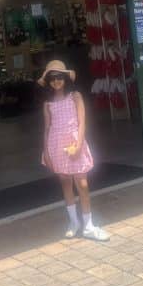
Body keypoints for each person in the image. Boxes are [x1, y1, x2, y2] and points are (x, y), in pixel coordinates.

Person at [39, 60, 110, 241]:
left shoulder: (75, 96)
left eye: (59, 77)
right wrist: (46, 151)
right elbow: (47, 128)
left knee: (83, 185)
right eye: (52, 78)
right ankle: (74, 222)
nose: (56, 81)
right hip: (56, 145)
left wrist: (78, 145)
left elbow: (82, 122)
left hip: (74, 143)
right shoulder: (47, 103)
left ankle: (88, 225)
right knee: (65, 183)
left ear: (65, 78)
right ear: (48, 81)